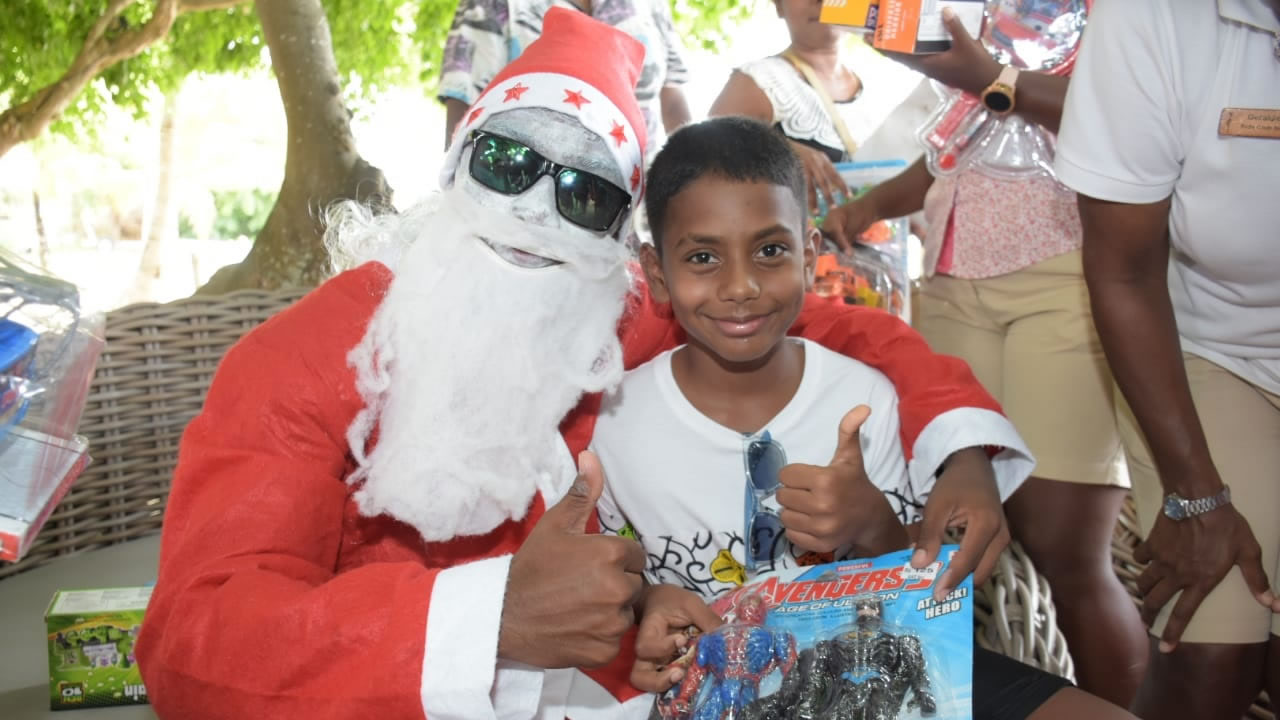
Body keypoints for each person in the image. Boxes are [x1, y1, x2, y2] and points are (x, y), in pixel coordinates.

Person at [137, 10, 1034, 719]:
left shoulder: (603, 312)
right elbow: (194, 641)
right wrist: (489, 623)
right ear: (455, 164)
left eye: (583, 190)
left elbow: (833, 330)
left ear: (617, 238)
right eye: (508, 160)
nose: (535, 209)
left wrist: (960, 455)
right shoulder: (302, 361)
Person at [592, 116, 1138, 720]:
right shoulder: (615, 424)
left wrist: (874, 526)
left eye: (770, 251)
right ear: (658, 273)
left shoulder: (866, 400)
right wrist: (647, 603)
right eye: (703, 257)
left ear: (810, 255)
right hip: (714, 692)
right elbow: (610, 579)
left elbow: (925, 602)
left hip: (874, 679)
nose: (741, 286)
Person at [821, 9, 1146, 706]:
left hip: (1068, 276)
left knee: (1064, 547)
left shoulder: (1124, 20)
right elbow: (957, 147)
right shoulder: (982, 16)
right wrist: (868, 204)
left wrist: (991, 77)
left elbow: (1130, 126)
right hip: (950, 280)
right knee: (946, 540)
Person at [1053, 0, 1280, 717]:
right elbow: (1124, 273)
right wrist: (1199, 499)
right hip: (1219, 351)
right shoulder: (1154, 16)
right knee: (1212, 647)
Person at [707, 0, 936, 216]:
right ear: (779, 6)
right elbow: (705, 150)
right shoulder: (759, 80)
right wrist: (781, 151)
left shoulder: (880, 87)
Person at [438, 0, 692, 149]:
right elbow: (463, 106)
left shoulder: (651, 5)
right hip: (529, 196)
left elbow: (672, 103)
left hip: (643, 213)